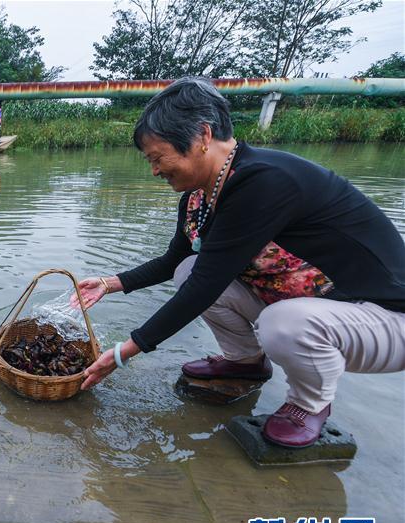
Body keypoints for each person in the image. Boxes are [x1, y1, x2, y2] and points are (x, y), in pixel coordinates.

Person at [72, 77, 405, 449]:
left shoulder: (265, 180)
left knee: (283, 323)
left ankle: (310, 404)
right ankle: (245, 363)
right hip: (319, 310)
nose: (154, 170)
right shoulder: (201, 196)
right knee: (189, 270)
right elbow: (175, 262)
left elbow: (208, 285)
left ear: (202, 135)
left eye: (157, 157)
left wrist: (123, 352)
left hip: (384, 317)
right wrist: (109, 283)